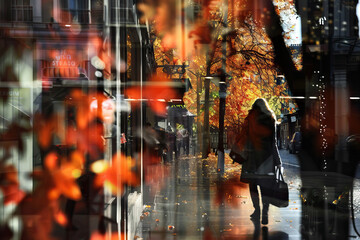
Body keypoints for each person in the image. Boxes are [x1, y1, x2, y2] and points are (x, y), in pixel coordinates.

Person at [239, 98, 282, 225]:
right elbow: (273, 143)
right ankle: (265, 212)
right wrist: (278, 161)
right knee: (266, 188)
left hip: (251, 159)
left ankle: (257, 210)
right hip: (266, 159)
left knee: (253, 186)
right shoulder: (270, 120)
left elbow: (244, 137)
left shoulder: (249, 119)